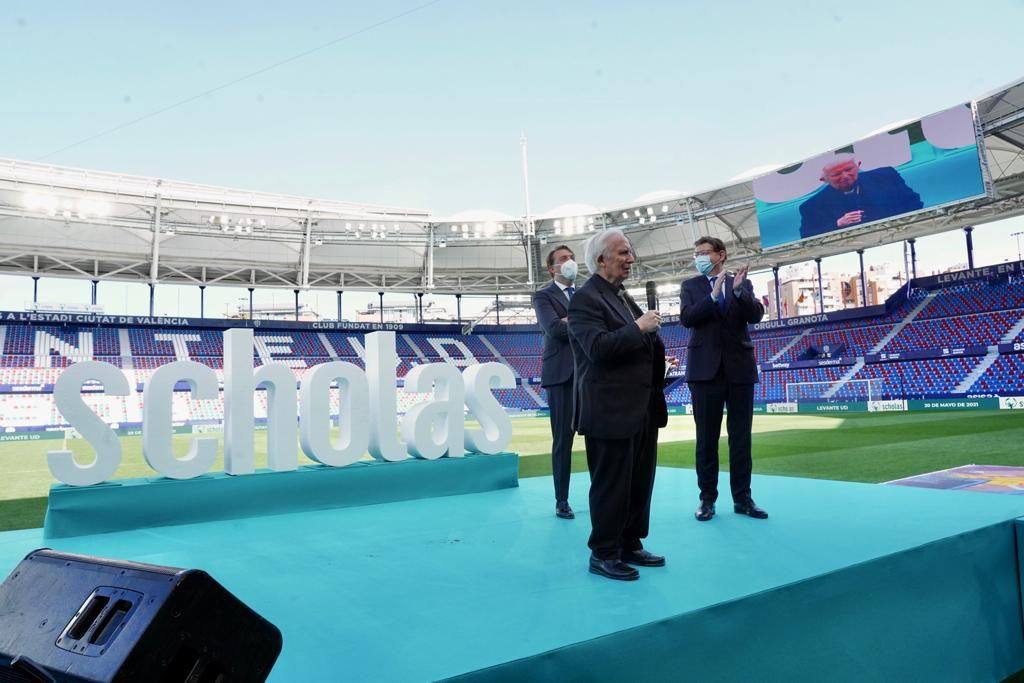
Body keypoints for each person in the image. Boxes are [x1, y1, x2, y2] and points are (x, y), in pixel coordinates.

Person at [568, 228, 672, 581]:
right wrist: (640, 328)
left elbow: (636, 341)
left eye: (630, 253)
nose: (631, 259)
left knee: (639, 480)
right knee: (611, 482)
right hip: (609, 408)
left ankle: (629, 542)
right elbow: (596, 349)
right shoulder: (585, 299)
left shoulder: (622, 296)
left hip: (640, 404)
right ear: (601, 259)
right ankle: (604, 552)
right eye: (624, 253)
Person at [680, 236, 767, 523]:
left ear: (721, 255)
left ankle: (743, 499)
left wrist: (740, 292)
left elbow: (755, 316)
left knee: (740, 439)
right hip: (704, 372)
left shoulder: (740, 282)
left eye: (704, 252)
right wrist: (713, 296)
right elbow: (688, 319)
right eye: (697, 253)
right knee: (706, 439)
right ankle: (707, 500)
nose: (699, 257)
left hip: (739, 369)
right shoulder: (690, 286)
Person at [532, 244, 579, 520]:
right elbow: (555, 329)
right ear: (552, 268)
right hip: (561, 375)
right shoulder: (543, 295)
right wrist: (582, 321)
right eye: (562, 259)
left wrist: (571, 319)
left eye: (571, 257)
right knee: (563, 440)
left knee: (599, 438)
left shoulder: (585, 294)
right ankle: (562, 499)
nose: (569, 262)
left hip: (590, 374)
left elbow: (599, 324)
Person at [798, 154, 923, 239]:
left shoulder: (886, 176)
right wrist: (838, 224)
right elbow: (807, 236)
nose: (845, 176)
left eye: (849, 169)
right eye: (837, 174)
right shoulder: (812, 206)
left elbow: (914, 203)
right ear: (823, 179)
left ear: (858, 165)